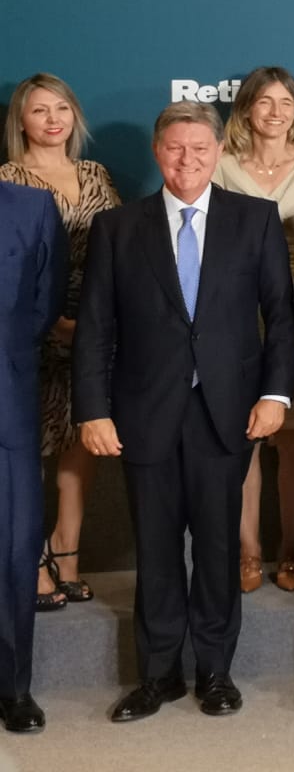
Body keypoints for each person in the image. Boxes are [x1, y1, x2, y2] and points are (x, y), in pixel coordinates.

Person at [73, 102, 294, 723]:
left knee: (221, 547)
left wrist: (276, 395)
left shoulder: (255, 220)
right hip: (143, 413)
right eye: (175, 148)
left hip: (227, 412)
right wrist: (92, 410)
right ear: (157, 151)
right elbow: (94, 329)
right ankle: (159, 675)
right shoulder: (119, 228)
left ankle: (216, 672)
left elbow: (281, 317)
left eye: (200, 148)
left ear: (219, 151)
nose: (187, 159)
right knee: (156, 547)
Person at [212, 67, 294, 595]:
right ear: (245, 109)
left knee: (292, 442)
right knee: (244, 437)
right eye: (263, 101)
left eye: (285, 102)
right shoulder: (218, 166)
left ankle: (290, 550)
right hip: (233, 313)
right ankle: (248, 553)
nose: (275, 111)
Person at [2, 75, 117, 615]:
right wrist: (52, 323)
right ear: (19, 122)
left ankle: (65, 552)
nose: (53, 119)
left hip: (94, 324)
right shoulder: (7, 179)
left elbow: (118, 249)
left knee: (83, 435)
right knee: (36, 445)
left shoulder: (95, 174)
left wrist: (93, 322)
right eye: (39, 110)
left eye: (62, 108)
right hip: (32, 327)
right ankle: (28, 559)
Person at [0, 178, 64, 735]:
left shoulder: (31, 206)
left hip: (8, 403)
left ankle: (12, 688)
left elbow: (44, 304)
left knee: (15, 549)